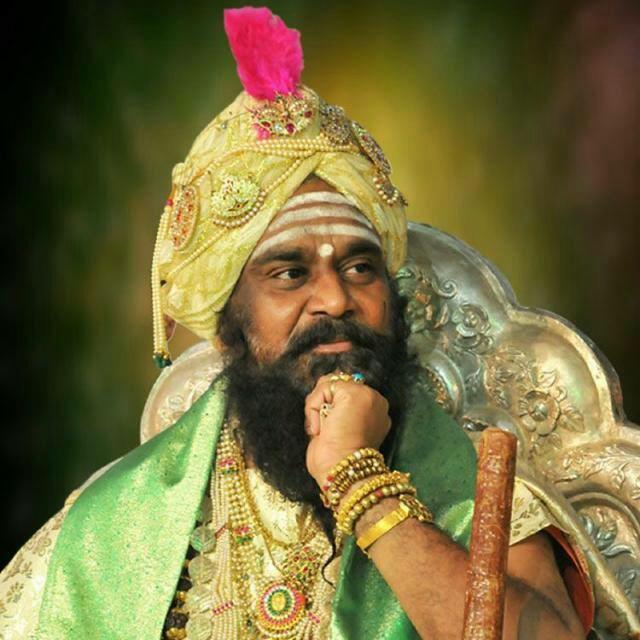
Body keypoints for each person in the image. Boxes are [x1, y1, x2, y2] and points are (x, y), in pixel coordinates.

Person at [1, 7, 592, 639]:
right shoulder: (116, 525)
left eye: (360, 268)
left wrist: (363, 486)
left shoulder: (482, 491)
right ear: (228, 322)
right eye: (290, 273)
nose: (335, 300)